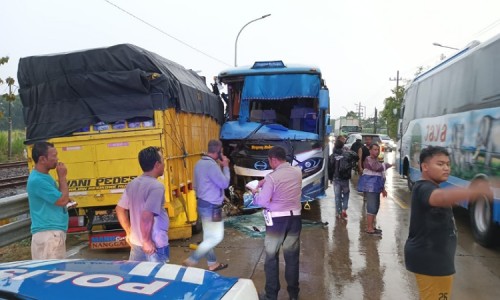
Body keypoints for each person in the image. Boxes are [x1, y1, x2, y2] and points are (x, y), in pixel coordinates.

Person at [404, 146, 492, 300]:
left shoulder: (431, 186)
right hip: (431, 263)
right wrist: (475, 191)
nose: (446, 168)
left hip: (436, 261)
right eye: (440, 164)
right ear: (425, 166)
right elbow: (441, 198)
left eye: (448, 164)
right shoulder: (424, 188)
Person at [250, 146, 303, 300]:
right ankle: (294, 295)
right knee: (292, 258)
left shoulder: (272, 178)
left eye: (269, 161)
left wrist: (255, 193)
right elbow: (283, 177)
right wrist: (265, 181)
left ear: (273, 159)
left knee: (271, 258)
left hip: (276, 222)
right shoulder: (297, 172)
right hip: (295, 220)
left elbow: (263, 201)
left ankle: (271, 295)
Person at [116, 146, 170, 262]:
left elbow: (120, 209)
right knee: (159, 278)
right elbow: (147, 215)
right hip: (154, 245)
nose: (164, 165)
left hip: (136, 243)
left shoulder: (133, 184)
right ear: (157, 164)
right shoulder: (156, 186)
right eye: (163, 161)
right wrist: (147, 241)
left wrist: (129, 232)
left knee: (137, 277)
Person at [183, 139, 230, 271]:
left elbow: (196, 186)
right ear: (219, 152)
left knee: (208, 236)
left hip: (202, 204)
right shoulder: (212, 166)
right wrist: (225, 166)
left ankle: (212, 263)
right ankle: (193, 259)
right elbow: (224, 183)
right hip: (212, 207)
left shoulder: (199, 164)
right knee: (215, 237)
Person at [27, 141, 71, 259]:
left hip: (49, 232)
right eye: (54, 156)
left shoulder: (43, 176)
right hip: (50, 234)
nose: (57, 159)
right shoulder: (38, 180)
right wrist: (62, 177)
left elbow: (59, 197)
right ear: (42, 159)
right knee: (55, 273)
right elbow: (62, 200)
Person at [361, 143, 392, 235]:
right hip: (371, 188)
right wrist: (386, 165)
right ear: (370, 150)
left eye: (378, 150)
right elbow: (377, 168)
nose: (377, 151)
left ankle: (372, 226)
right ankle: (369, 228)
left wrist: (383, 189)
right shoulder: (368, 159)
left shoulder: (376, 160)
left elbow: (381, 175)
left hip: (376, 188)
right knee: (371, 207)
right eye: (374, 149)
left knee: (375, 207)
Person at [328, 136, 358, 219]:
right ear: (342, 146)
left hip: (336, 179)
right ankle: (344, 208)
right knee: (346, 194)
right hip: (345, 179)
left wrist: (330, 178)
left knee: (337, 196)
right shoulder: (347, 154)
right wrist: (349, 150)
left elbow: (330, 169)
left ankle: (339, 212)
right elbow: (356, 157)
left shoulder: (332, 156)